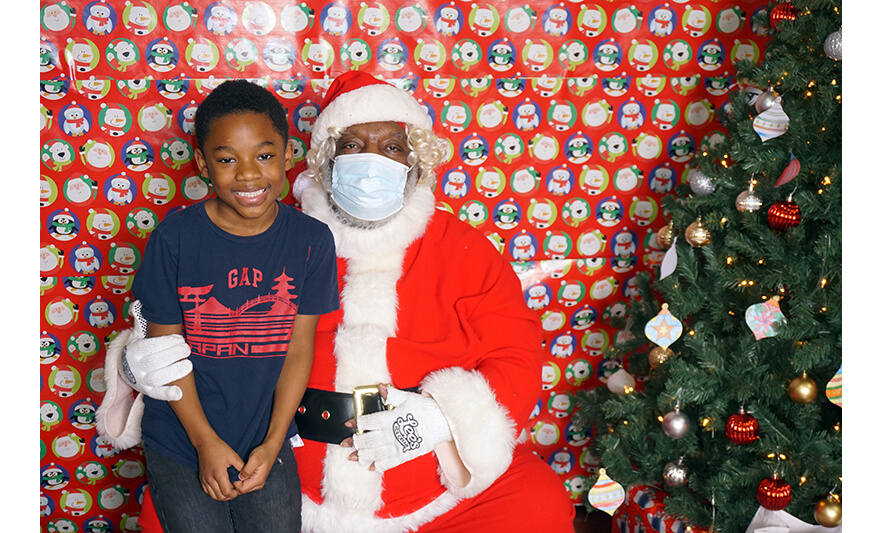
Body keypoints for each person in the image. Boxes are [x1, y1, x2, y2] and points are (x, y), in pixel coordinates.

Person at [97, 71, 575, 532]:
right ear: (323, 158)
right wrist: (139, 362)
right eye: (352, 146)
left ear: (415, 162)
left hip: (422, 479)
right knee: (173, 514)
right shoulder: (269, 230)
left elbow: (517, 355)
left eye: (392, 148)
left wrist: (435, 418)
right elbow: (203, 320)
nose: (372, 163)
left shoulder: (464, 249)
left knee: (537, 507)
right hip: (286, 466)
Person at [113, 79, 340, 532]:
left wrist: (275, 441)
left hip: (265, 440)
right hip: (182, 439)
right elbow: (163, 355)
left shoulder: (312, 241)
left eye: (264, 155)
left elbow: (299, 349)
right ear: (202, 165)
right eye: (226, 159)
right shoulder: (174, 239)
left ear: (289, 154)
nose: (249, 174)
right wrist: (205, 443)